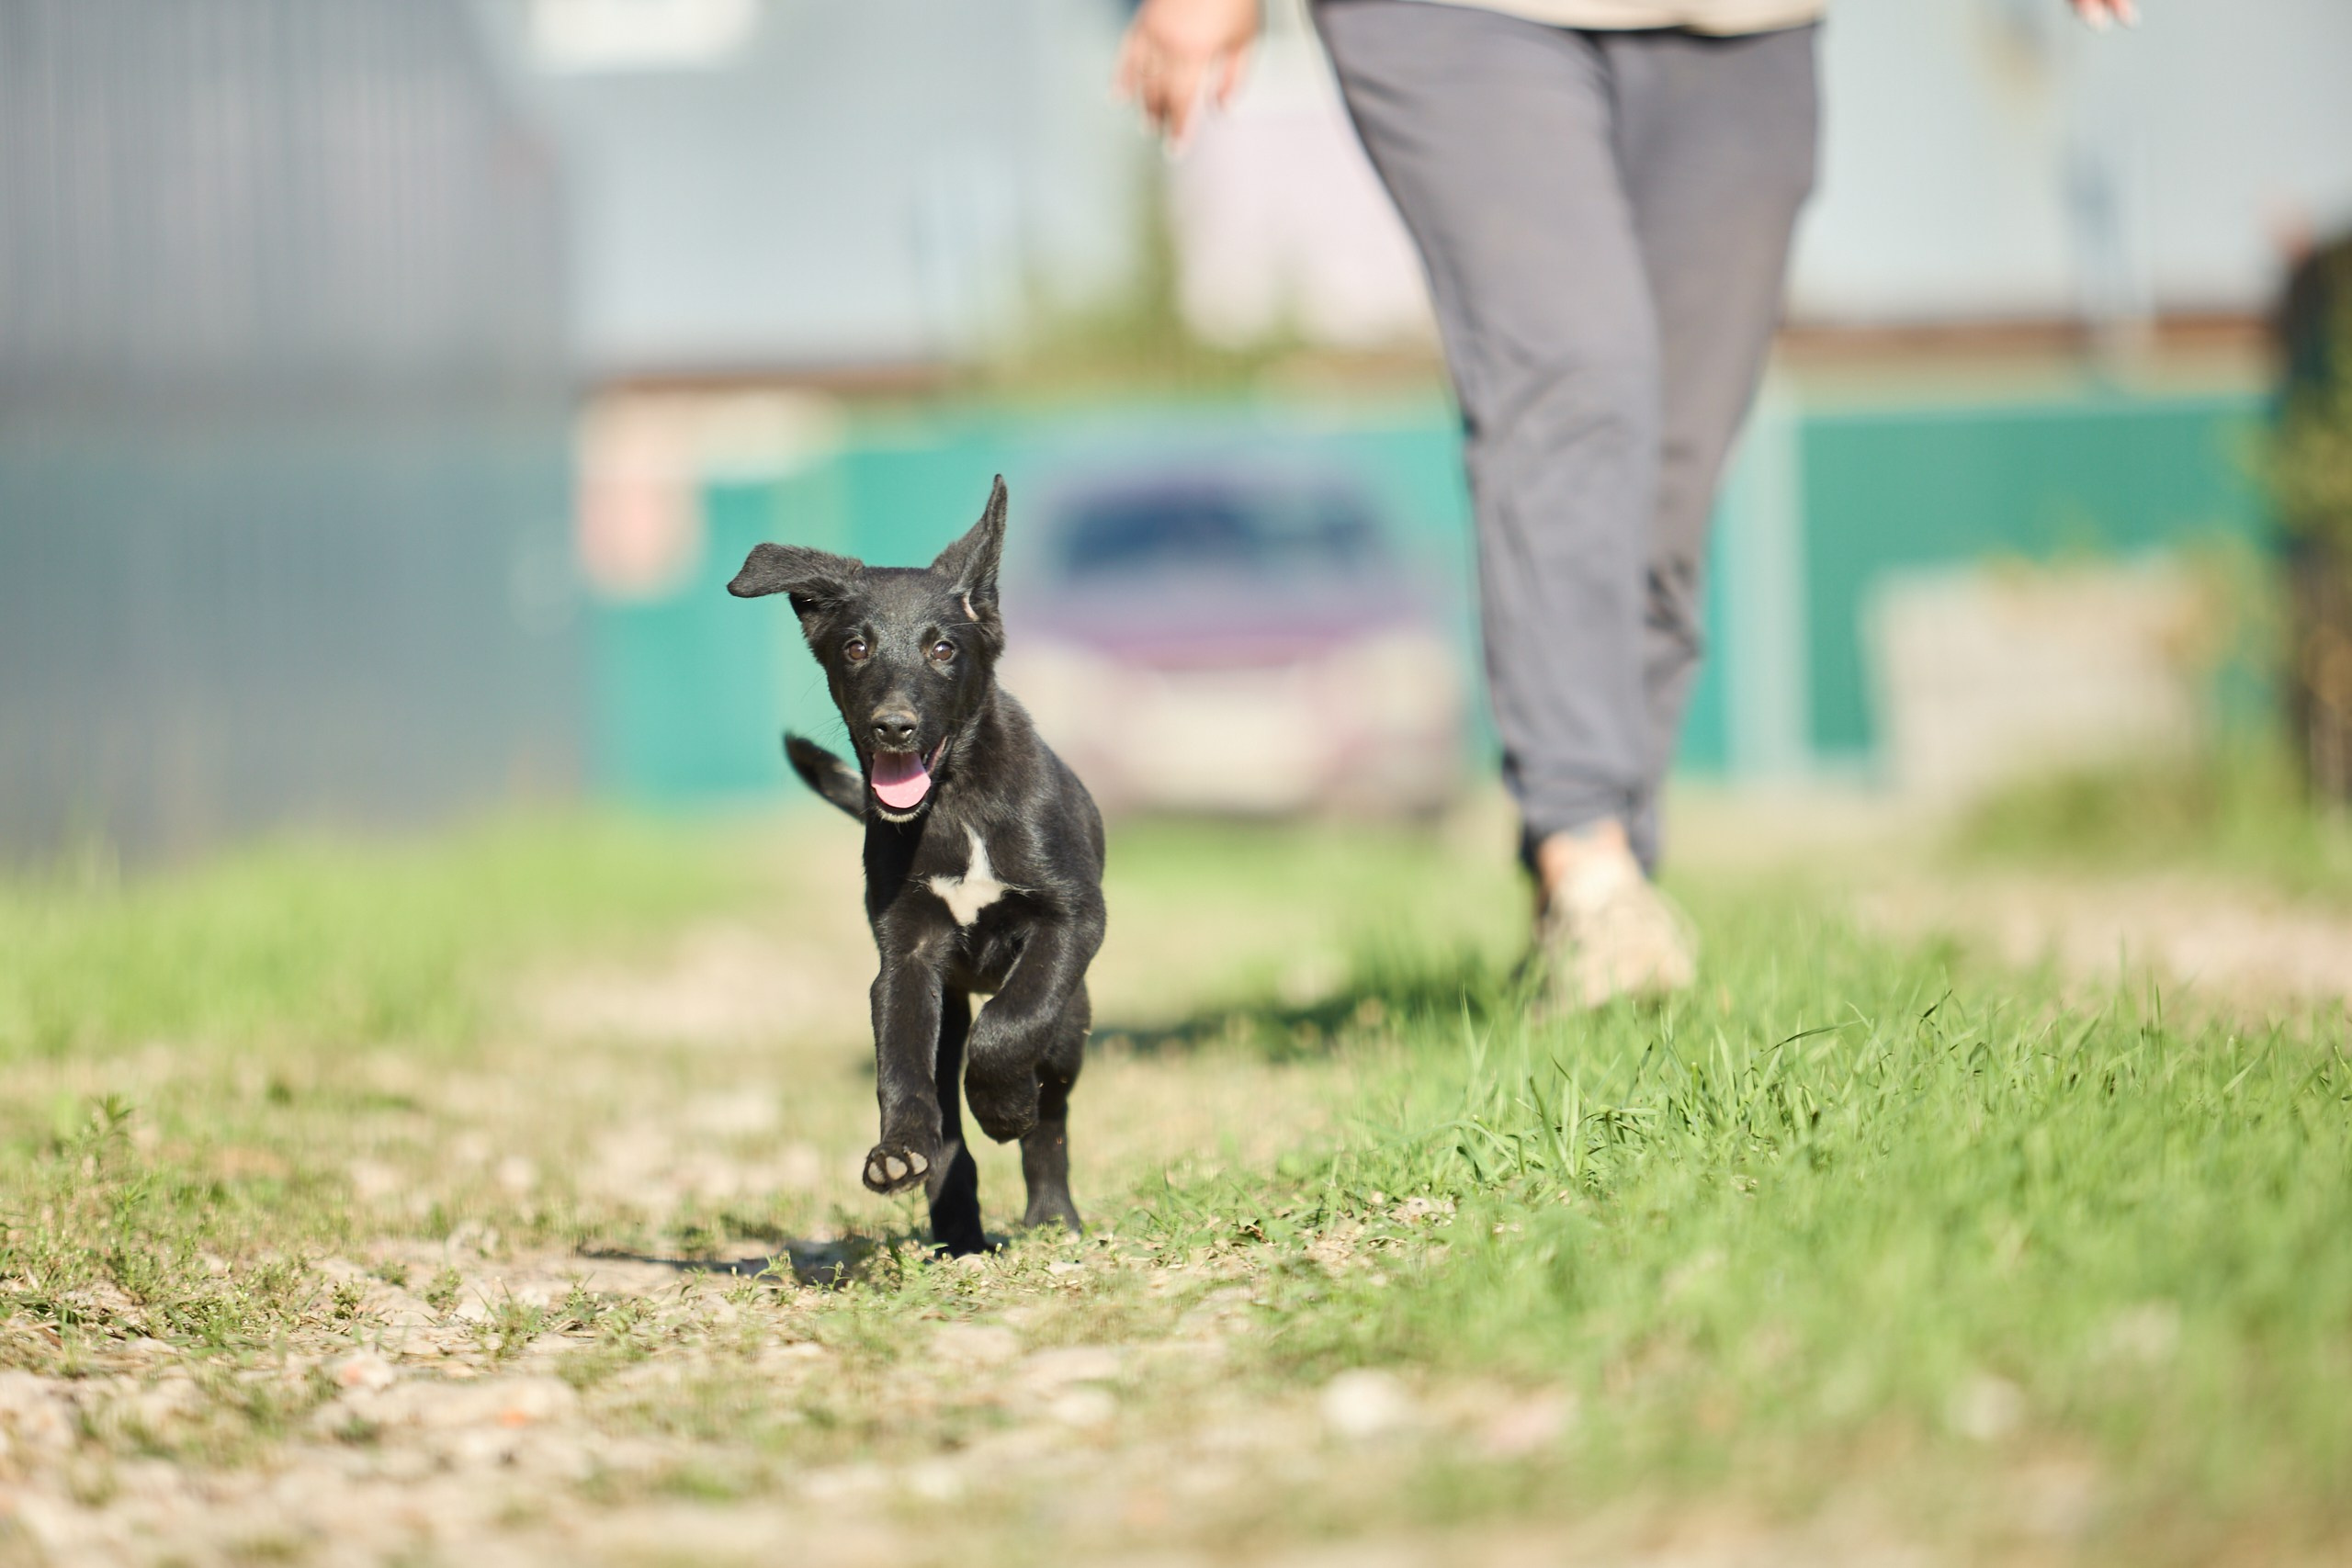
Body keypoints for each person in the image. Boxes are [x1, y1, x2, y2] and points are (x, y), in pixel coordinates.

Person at [1116, 0, 2141, 1009]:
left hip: (1744, 29)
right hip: (1458, 19)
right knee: (1572, 377)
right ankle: (1588, 858)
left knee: (1666, 469)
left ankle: (1595, 893)